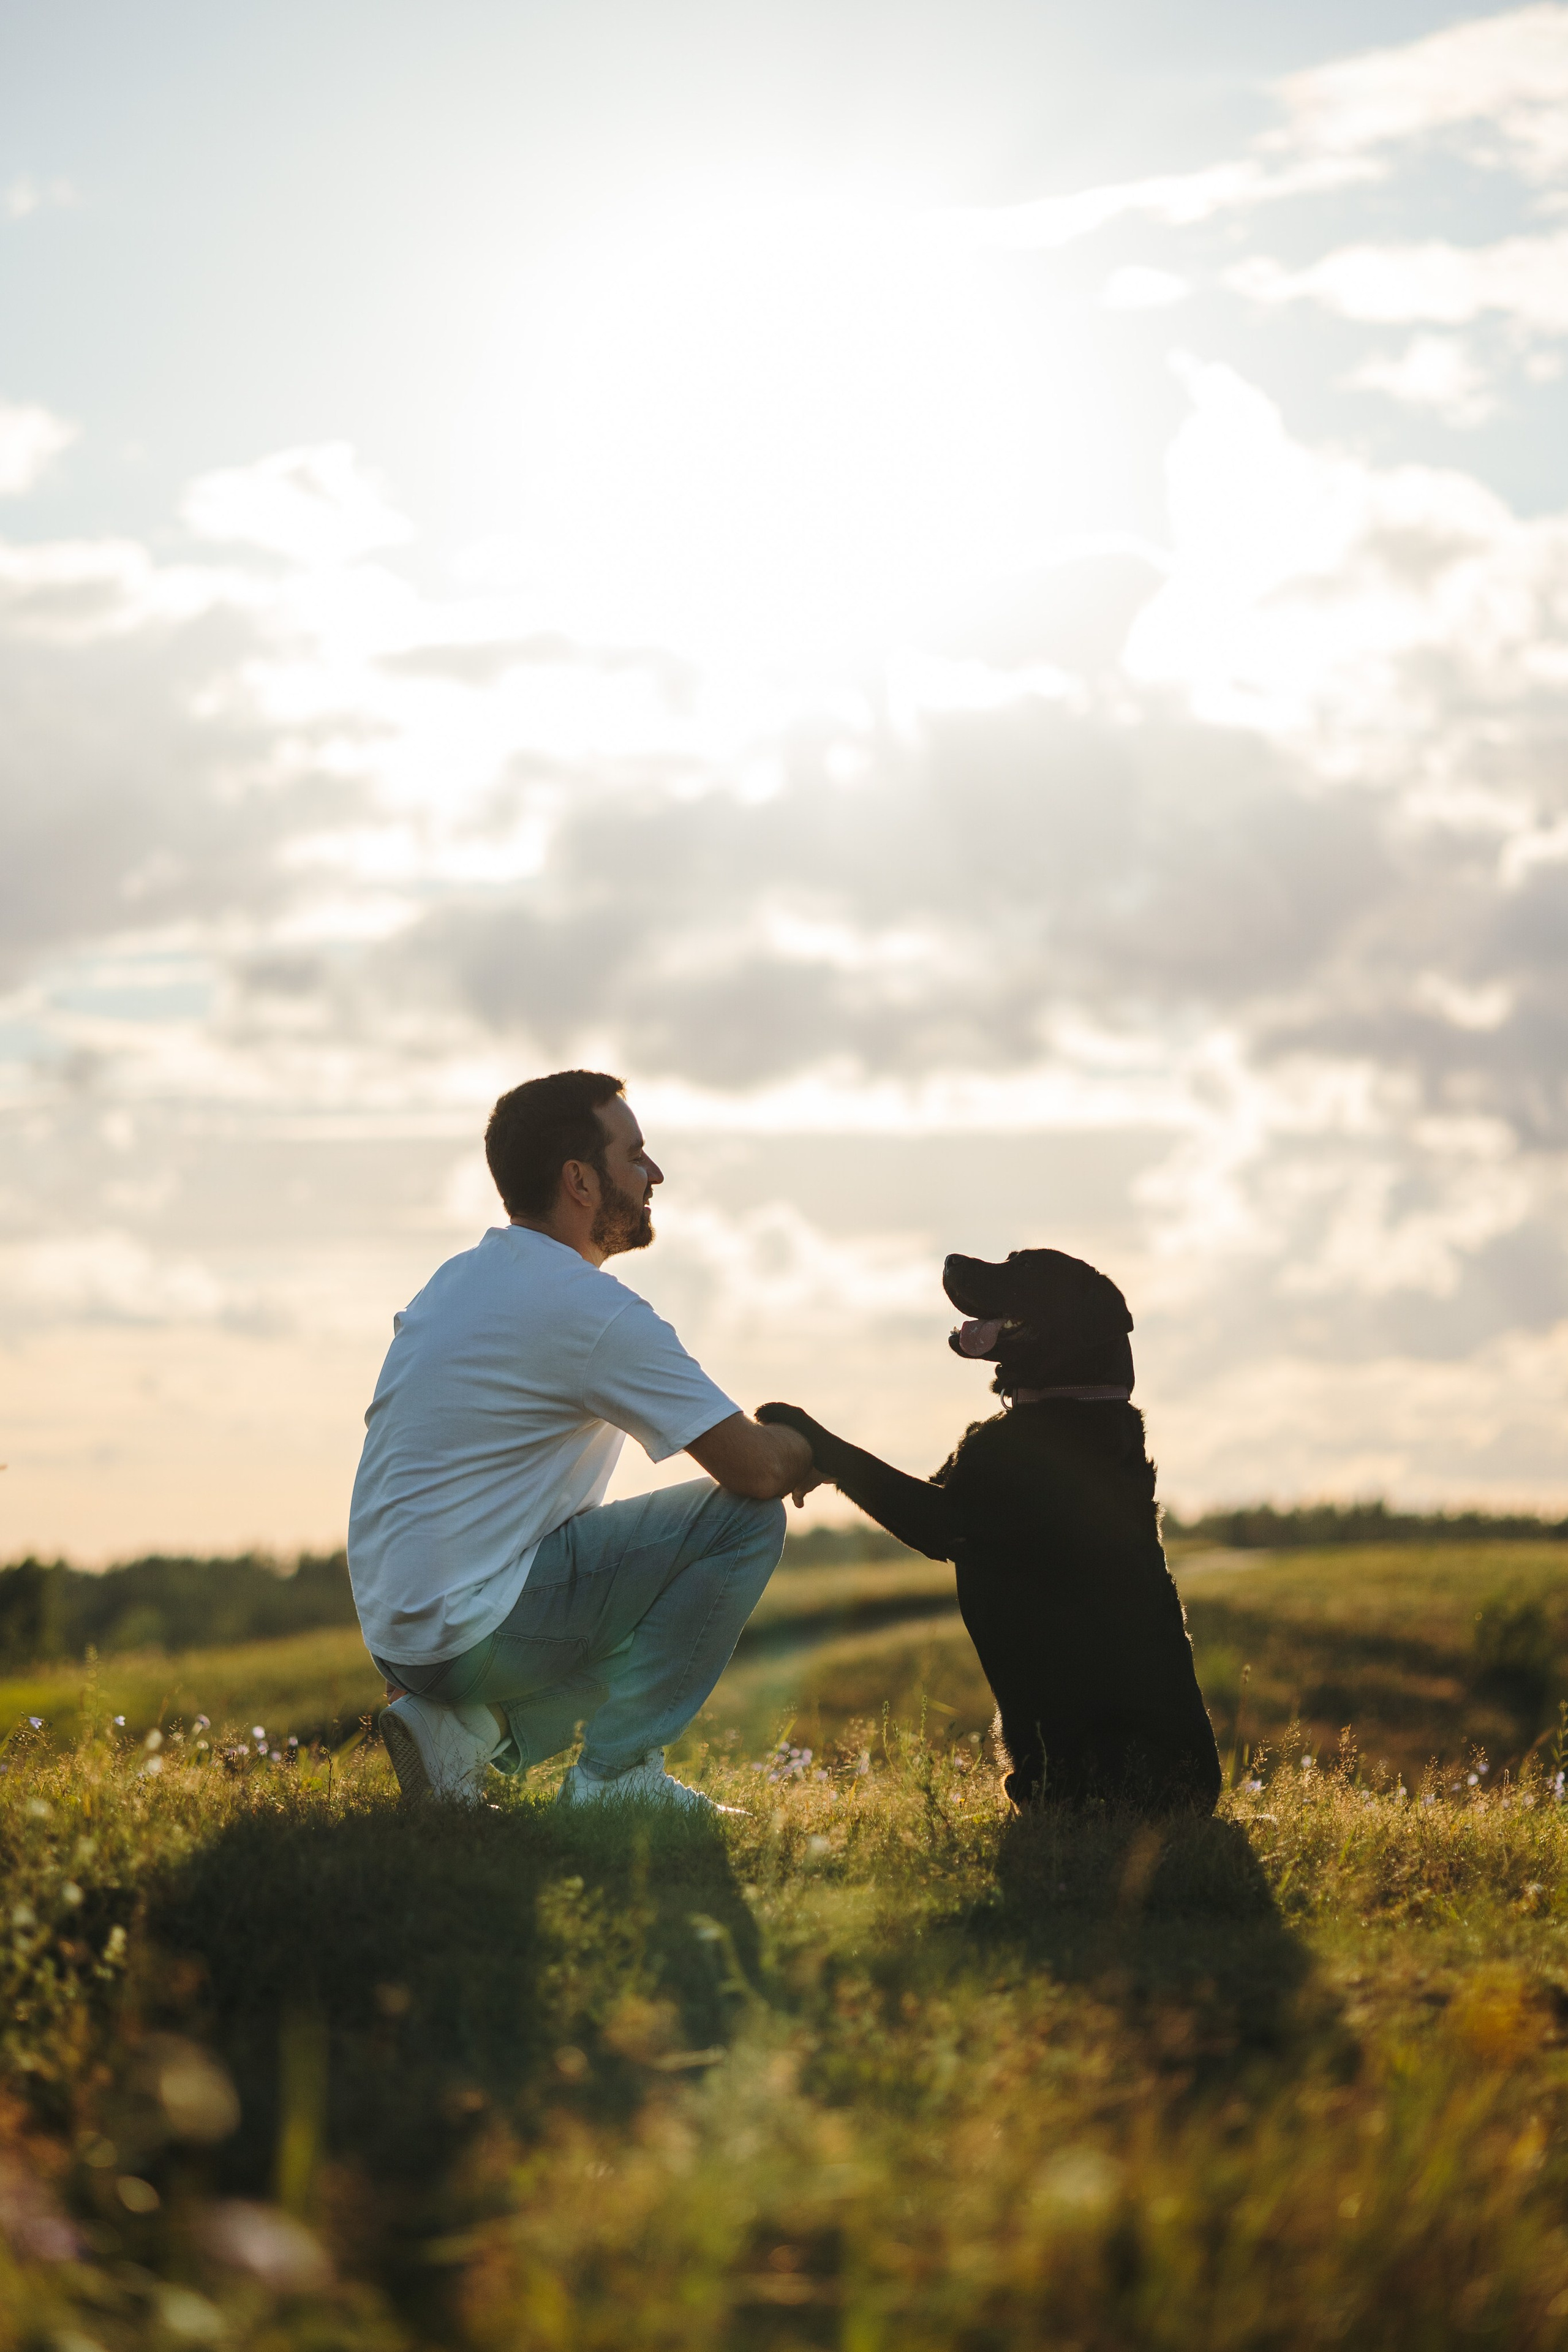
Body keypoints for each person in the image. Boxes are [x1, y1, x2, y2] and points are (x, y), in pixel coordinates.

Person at [347, 1069, 818, 1811]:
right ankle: (615, 1780)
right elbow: (755, 1473)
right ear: (581, 1181)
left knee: (651, 1588)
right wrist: (807, 1444)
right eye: (634, 1155)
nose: (654, 1173)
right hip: (472, 1627)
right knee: (738, 1526)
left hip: (404, 1634)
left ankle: (472, 1732)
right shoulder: (588, 1308)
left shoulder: (457, 1281)